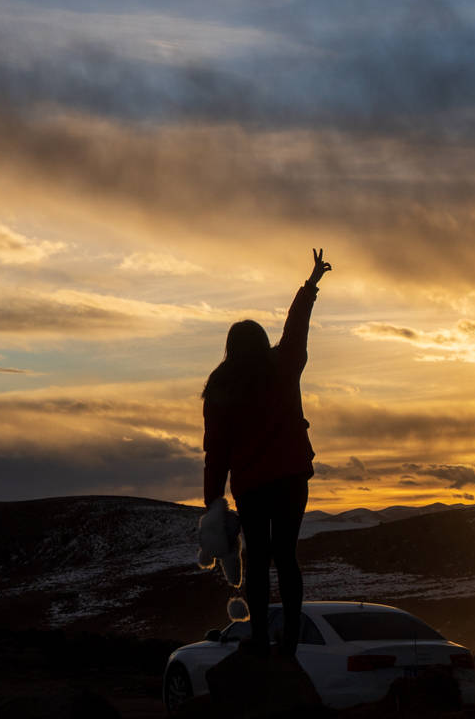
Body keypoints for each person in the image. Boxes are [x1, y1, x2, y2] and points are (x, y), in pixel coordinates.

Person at [202, 248, 332, 657]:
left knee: (257, 560)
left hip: (252, 485)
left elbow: (216, 450)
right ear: (261, 342)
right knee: (286, 557)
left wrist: (213, 503)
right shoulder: (283, 364)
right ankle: (289, 641)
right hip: (291, 477)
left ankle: (259, 638)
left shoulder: (221, 388)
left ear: (229, 348)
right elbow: (296, 330)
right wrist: (309, 287)